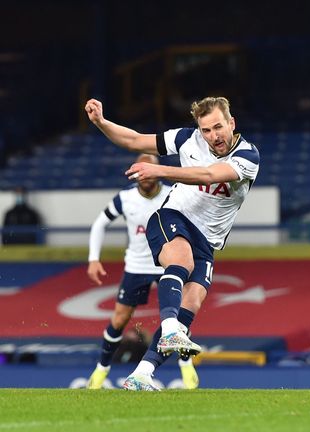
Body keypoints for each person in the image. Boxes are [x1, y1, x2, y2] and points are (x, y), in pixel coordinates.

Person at [85, 96, 259, 391]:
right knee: (181, 263)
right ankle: (168, 330)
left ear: (231, 124)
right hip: (172, 217)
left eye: (218, 127)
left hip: (208, 240)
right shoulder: (186, 139)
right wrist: (102, 123)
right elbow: (135, 141)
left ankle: (142, 374)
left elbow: (209, 174)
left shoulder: (248, 156)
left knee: (189, 308)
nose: (213, 136)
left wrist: (160, 170)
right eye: (206, 130)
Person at [85, 154, 199, 390]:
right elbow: (100, 223)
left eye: (149, 170)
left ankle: (186, 365)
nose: (144, 176)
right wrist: (93, 258)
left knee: (179, 313)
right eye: (139, 171)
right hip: (136, 265)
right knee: (120, 319)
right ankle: (101, 370)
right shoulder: (125, 198)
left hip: (167, 263)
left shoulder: (172, 193)